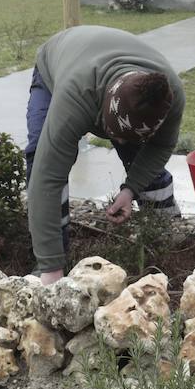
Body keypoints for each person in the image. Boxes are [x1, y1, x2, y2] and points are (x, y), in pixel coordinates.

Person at [24, 25, 185, 286]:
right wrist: (50, 270)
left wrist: (130, 189)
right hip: (58, 63)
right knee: (38, 153)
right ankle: (51, 254)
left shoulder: (169, 97)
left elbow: (160, 146)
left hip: (103, 60)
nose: (118, 142)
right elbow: (48, 175)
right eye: (114, 134)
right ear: (101, 114)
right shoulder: (77, 97)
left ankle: (164, 233)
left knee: (140, 156)